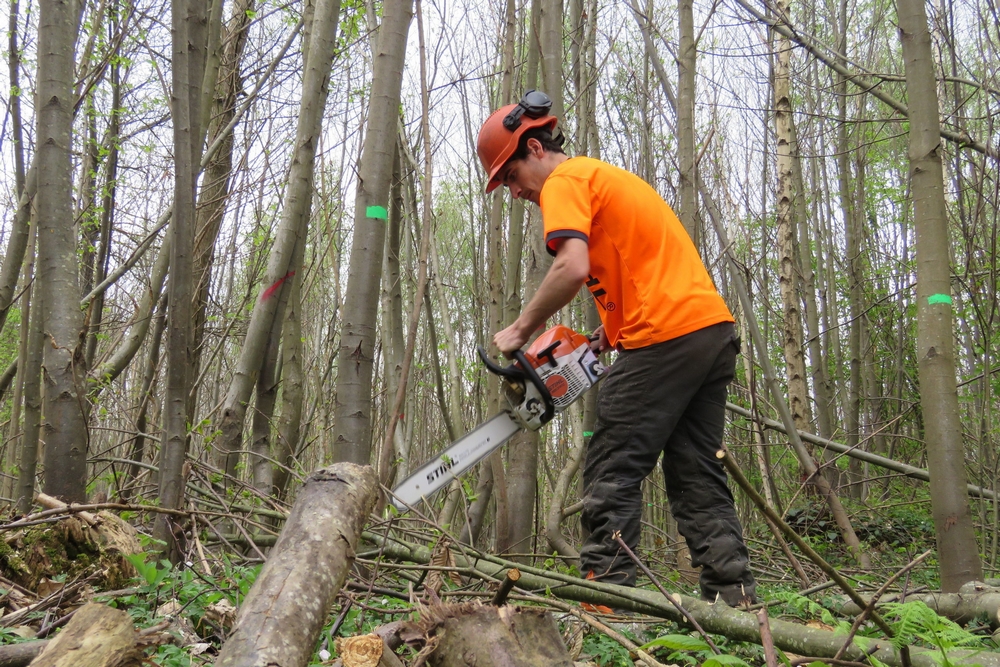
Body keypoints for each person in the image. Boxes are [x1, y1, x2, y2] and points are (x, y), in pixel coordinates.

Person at [477, 90, 757, 606]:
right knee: (697, 470)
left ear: (535, 149)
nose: (514, 191)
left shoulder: (564, 180)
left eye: (512, 177)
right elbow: (640, 261)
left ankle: (605, 598)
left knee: (612, 464)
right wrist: (612, 329)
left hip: (665, 335)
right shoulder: (600, 178)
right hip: (708, 331)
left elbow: (571, 266)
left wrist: (520, 331)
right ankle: (733, 595)